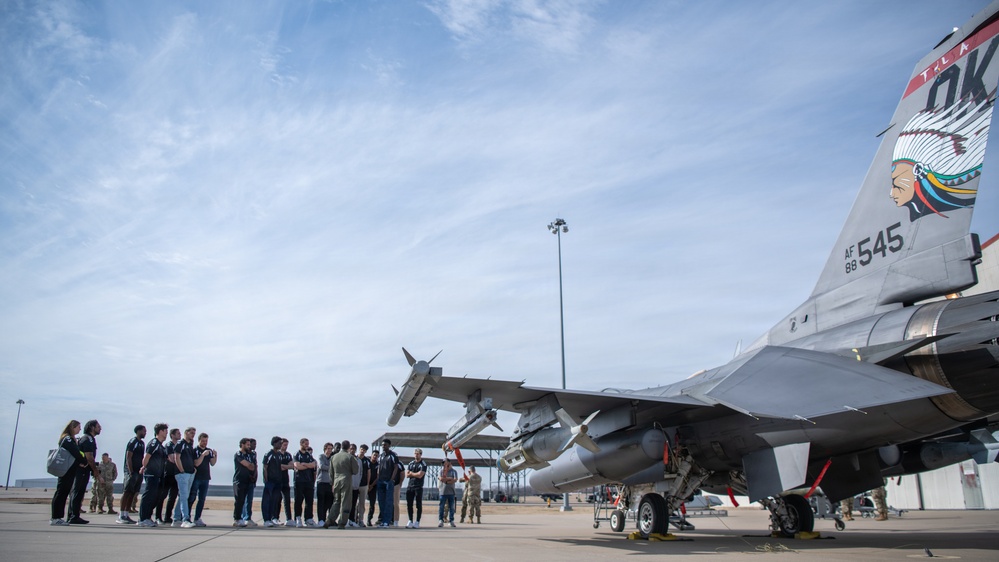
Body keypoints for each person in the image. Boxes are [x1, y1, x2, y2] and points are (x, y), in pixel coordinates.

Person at [50, 420, 85, 526]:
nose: (80, 429)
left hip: (70, 469)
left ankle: (58, 517)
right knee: (61, 492)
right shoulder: (67, 439)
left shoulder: (71, 438)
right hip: (66, 470)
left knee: (64, 492)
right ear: (73, 427)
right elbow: (75, 452)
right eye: (78, 427)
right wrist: (83, 460)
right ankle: (56, 517)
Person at [69, 419, 103, 524]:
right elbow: (89, 457)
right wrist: (95, 471)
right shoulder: (87, 439)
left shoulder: (89, 439)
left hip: (84, 469)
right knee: (77, 492)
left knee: (79, 492)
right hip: (81, 469)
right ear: (92, 427)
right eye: (98, 426)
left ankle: (74, 515)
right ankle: (73, 516)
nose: (100, 428)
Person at [138, 423, 169, 527]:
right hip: (151, 474)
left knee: (155, 496)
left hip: (158, 475)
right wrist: (144, 467)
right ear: (160, 431)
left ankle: (148, 517)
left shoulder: (161, 446)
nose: (166, 433)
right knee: (148, 495)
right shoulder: (154, 443)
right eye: (165, 431)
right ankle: (143, 518)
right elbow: (146, 457)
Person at [326, 440, 358, 529]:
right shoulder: (350, 457)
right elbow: (355, 470)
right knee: (346, 502)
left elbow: (330, 472)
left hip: (336, 481)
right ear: (348, 447)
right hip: (346, 480)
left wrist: (332, 483)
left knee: (336, 501)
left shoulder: (334, 457)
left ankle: (329, 520)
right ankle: (342, 522)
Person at [117, 425, 146, 525]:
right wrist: (130, 471)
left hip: (138, 471)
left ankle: (126, 513)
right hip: (131, 471)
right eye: (143, 431)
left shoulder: (142, 443)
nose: (145, 433)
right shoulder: (133, 441)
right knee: (127, 492)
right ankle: (121, 515)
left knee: (133, 493)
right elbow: (128, 456)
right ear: (138, 431)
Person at [188, 432, 216, 527]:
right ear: (199, 440)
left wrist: (215, 456)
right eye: (203, 441)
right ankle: (187, 517)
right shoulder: (195, 450)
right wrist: (203, 455)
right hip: (197, 477)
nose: (205, 443)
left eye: (206, 441)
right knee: (192, 497)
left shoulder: (209, 451)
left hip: (205, 477)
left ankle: (197, 518)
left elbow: (212, 463)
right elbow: (196, 463)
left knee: (202, 499)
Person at [172, 426, 197, 527]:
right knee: (183, 496)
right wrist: (181, 470)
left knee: (184, 496)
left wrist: (193, 469)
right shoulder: (180, 444)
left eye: (194, 433)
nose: (192, 435)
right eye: (191, 433)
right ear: (186, 433)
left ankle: (176, 518)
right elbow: (176, 457)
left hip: (190, 473)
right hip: (182, 474)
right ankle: (185, 519)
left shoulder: (189, 445)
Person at [155, 428, 181, 524]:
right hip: (168, 474)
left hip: (176, 474)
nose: (180, 435)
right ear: (172, 435)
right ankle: (158, 517)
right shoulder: (169, 445)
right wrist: (179, 460)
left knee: (173, 497)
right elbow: (172, 459)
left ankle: (167, 517)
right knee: (163, 496)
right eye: (178, 433)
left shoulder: (178, 446)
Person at [293, 438, 318, 527]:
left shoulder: (308, 455)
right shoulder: (297, 454)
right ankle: (298, 518)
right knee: (298, 501)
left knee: (309, 501)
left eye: (308, 444)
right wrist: (306, 466)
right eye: (305, 444)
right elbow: (297, 466)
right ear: (301, 444)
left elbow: (313, 465)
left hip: (309, 481)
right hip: (299, 481)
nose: (307, 445)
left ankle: (308, 519)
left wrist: (305, 464)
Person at [375, 440, 399, 527]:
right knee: (381, 501)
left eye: (385, 445)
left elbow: (396, 467)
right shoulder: (381, 456)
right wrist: (378, 477)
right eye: (382, 445)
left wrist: (391, 479)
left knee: (388, 501)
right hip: (381, 481)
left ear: (389, 445)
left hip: (388, 481)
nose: (383, 446)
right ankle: (382, 520)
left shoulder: (393, 455)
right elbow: (379, 467)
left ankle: (387, 521)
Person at [261, 436, 284, 528]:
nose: (280, 445)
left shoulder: (279, 455)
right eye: (279, 443)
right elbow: (265, 467)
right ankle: (266, 519)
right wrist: (266, 480)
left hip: (278, 481)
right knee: (267, 500)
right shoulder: (269, 454)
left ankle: (271, 518)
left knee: (274, 501)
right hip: (270, 481)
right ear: (274, 443)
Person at [233, 438, 255, 527]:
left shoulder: (249, 455)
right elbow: (247, 464)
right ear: (242, 444)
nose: (249, 446)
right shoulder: (238, 454)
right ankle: (237, 518)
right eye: (247, 445)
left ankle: (244, 518)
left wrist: (250, 465)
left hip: (247, 480)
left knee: (246, 500)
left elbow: (252, 466)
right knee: (239, 500)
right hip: (239, 480)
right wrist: (249, 465)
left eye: (250, 445)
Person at [405, 448, 427, 528]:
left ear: (421, 454)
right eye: (415, 453)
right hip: (410, 486)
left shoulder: (423, 464)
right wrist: (413, 474)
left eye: (418, 454)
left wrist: (412, 474)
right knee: (409, 504)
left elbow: (420, 475)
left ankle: (417, 521)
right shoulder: (411, 463)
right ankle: (410, 520)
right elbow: (407, 474)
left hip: (418, 486)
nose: (416, 455)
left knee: (418, 504)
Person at [316, 442, 334, 528]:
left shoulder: (333, 458)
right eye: (328, 449)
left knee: (328, 503)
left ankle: (327, 519)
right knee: (321, 502)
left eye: (331, 449)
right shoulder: (321, 456)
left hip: (329, 483)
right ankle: (321, 519)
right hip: (321, 482)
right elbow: (321, 466)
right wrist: (330, 468)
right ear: (325, 449)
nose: (329, 451)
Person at [241, 438, 258, 526]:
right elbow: (249, 466)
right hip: (244, 479)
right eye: (253, 444)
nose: (255, 446)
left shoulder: (254, 454)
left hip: (252, 479)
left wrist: (255, 477)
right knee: (243, 500)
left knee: (249, 500)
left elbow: (255, 466)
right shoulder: (244, 454)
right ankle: (244, 517)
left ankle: (248, 517)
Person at [437, 459, 458, 528]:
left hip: (451, 492)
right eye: (443, 463)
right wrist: (449, 479)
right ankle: (441, 520)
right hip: (442, 492)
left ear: (449, 463)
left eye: (445, 462)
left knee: (451, 507)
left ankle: (451, 520)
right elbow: (441, 478)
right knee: (441, 507)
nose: (444, 464)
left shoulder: (454, 471)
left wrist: (446, 480)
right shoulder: (441, 471)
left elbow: (454, 479)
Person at [278, 438, 294, 526]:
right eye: (284, 445)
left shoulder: (288, 455)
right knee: (277, 499)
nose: (286, 447)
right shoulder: (277, 454)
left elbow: (292, 466)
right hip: (278, 479)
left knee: (287, 499)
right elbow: (278, 466)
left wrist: (285, 466)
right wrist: (285, 466)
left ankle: (289, 518)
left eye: (287, 445)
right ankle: (275, 517)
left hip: (285, 480)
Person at [354, 444, 370, 527]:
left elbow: (368, 473)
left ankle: (361, 520)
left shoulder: (367, 461)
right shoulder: (354, 459)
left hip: (363, 485)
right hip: (355, 484)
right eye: (361, 449)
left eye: (364, 450)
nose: (362, 451)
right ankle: (353, 519)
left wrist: (367, 484)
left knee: (362, 504)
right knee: (353, 503)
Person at [347, 444, 362, 527]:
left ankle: (351, 520)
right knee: (346, 504)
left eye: (353, 449)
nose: (352, 450)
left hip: (355, 486)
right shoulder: (346, 459)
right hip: (347, 485)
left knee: (353, 504)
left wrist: (358, 484)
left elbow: (360, 473)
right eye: (351, 448)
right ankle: (345, 520)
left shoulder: (358, 460)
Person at [366, 450, 379, 526]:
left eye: (377, 456)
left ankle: (369, 519)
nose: (375, 457)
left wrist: (371, 486)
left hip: (373, 486)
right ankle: (356, 518)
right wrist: (367, 485)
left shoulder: (378, 465)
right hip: (364, 484)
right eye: (374, 455)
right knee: (360, 503)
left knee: (372, 504)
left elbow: (378, 476)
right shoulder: (367, 463)